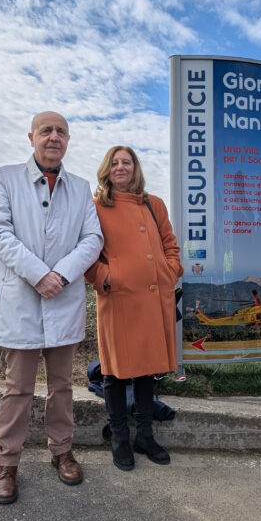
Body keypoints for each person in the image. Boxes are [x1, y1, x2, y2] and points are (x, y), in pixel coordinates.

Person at [0, 111, 102, 505]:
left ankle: (62, 450)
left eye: (61, 132)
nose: (54, 137)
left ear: (68, 140)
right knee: (17, 388)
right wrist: (38, 274)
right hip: (23, 298)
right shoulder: (5, 178)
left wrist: (62, 275)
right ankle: (6, 462)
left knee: (62, 386)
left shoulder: (81, 187)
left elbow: (92, 239)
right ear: (31, 137)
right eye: (46, 131)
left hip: (63, 298)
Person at [85, 146, 182, 471]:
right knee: (114, 371)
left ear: (135, 168)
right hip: (118, 300)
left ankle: (145, 435)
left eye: (127, 162)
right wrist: (107, 278)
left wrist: (170, 271)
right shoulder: (96, 206)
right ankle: (120, 440)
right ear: (106, 169)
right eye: (114, 162)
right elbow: (85, 252)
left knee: (146, 370)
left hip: (154, 299)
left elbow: (170, 243)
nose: (121, 167)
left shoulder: (154, 205)